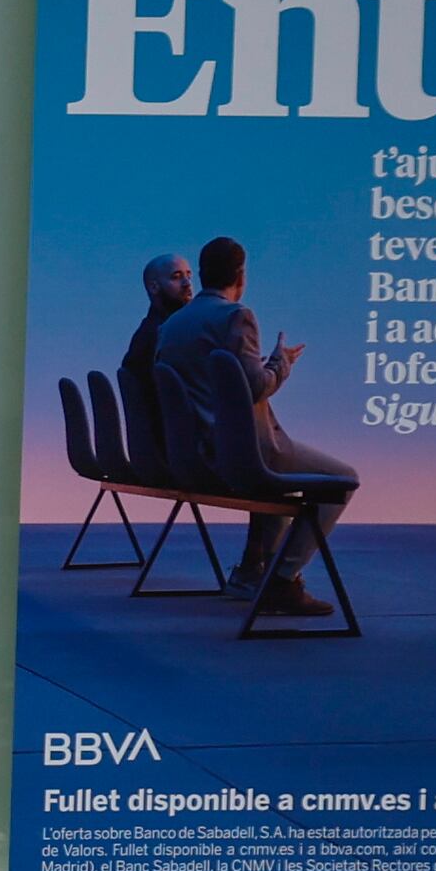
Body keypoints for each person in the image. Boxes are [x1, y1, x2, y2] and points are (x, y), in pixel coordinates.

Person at [149, 237, 356, 616]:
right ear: (240, 276)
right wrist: (280, 365)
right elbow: (256, 387)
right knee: (344, 478)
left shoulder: (174, 325)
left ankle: (249, 574)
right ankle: (282, 580)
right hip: (246, 452)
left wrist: (261, 366)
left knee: (285, 490)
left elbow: (216, 382)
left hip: (199, 453)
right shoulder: (236, 316)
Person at [120, 252, 195, 462]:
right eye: (176, 277)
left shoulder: (153, 331)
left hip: (163, 450)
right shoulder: (160, 337)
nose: (187, 283)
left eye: (189, 275)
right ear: (154, 287)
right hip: (180, 453)